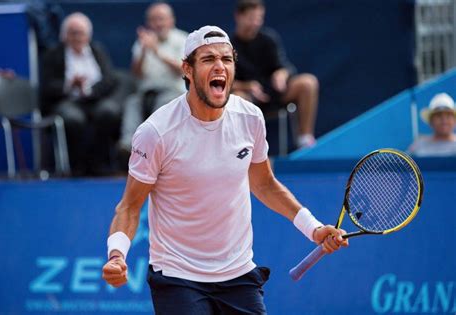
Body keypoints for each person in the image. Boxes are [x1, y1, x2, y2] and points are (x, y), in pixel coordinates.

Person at [102, 25, 348, 314]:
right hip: (179, 277)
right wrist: (117, 254)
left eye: (227, 59)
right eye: (208, 60)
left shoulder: (250, 117)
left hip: (239, 274)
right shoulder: (156, 132)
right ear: (187, 70)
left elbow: (265, 184)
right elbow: (130, 207)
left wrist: (315, 229)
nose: (220, 66)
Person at [40, 12, 120, 176]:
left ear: (88, 35)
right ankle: (78, 166)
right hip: (66, 100)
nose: (77, 37)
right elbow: (47, 87)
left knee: (110, 112)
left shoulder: (98, 51)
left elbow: (110, 79)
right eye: (72, 33)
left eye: (80, 33)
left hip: (95, 99)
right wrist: (69, 85)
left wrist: (89, 89)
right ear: (64, 35)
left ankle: (100, 163)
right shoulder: (53, 55)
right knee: (73, 118)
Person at [231, 0, 319, 149]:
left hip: (275, 93)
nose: (256, 23)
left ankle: (305, 139)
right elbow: (226, 82)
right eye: (251, 18)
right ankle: (243, 147)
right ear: (238, 16)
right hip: (249, 97)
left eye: (259, 18)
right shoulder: (229, 45)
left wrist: (281, 74)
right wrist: (247, 86)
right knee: (237, 98)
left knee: (308, 83)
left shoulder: (269, 39)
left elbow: (285, 67)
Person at [117, 2, 187, 163]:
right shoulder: (143, 41)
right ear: (148, 22)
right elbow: (136, 74)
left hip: (173, 93)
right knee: (132, 103)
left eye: (161, 19)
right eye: (153, 19)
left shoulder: (183, 39)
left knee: (163, 104)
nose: (158, 23)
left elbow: (184, 69)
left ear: (171, 20)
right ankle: (128, 147)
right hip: (146, 93)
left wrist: (157, 52)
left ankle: (154, 148)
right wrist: (143, 51)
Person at [408, 92, 456, 157]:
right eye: (439, 116)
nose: (444, 120)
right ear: (431, 121)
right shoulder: (418, 145)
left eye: (448, 116)